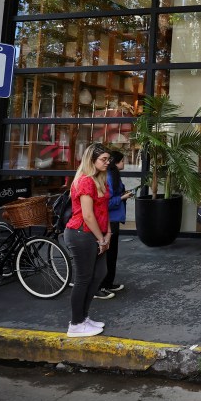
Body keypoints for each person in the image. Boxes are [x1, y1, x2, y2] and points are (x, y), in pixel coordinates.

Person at [64, 143, 112, 338]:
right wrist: (101, 239)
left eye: (108, 159)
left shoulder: (101, 180)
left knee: (100, 273)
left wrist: (108, 233)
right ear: (91, 160)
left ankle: (83, 318)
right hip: (81, 234)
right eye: (103, 159)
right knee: (83, 279)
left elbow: (104, 210)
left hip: (96, 234)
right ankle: (75, 324)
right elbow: (88, 215)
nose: (108, 162)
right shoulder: (85, 181)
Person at [96, 149, 133, 300]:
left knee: (112, 254)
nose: (124, 163)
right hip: (108, 220)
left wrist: (123, 195)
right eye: (122, 160)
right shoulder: (109, 178)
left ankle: (109, 283)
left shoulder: (114, 176)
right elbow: (106, 203)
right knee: (107, 254)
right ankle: (101, 285)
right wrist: (123, 197)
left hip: (114, 219)